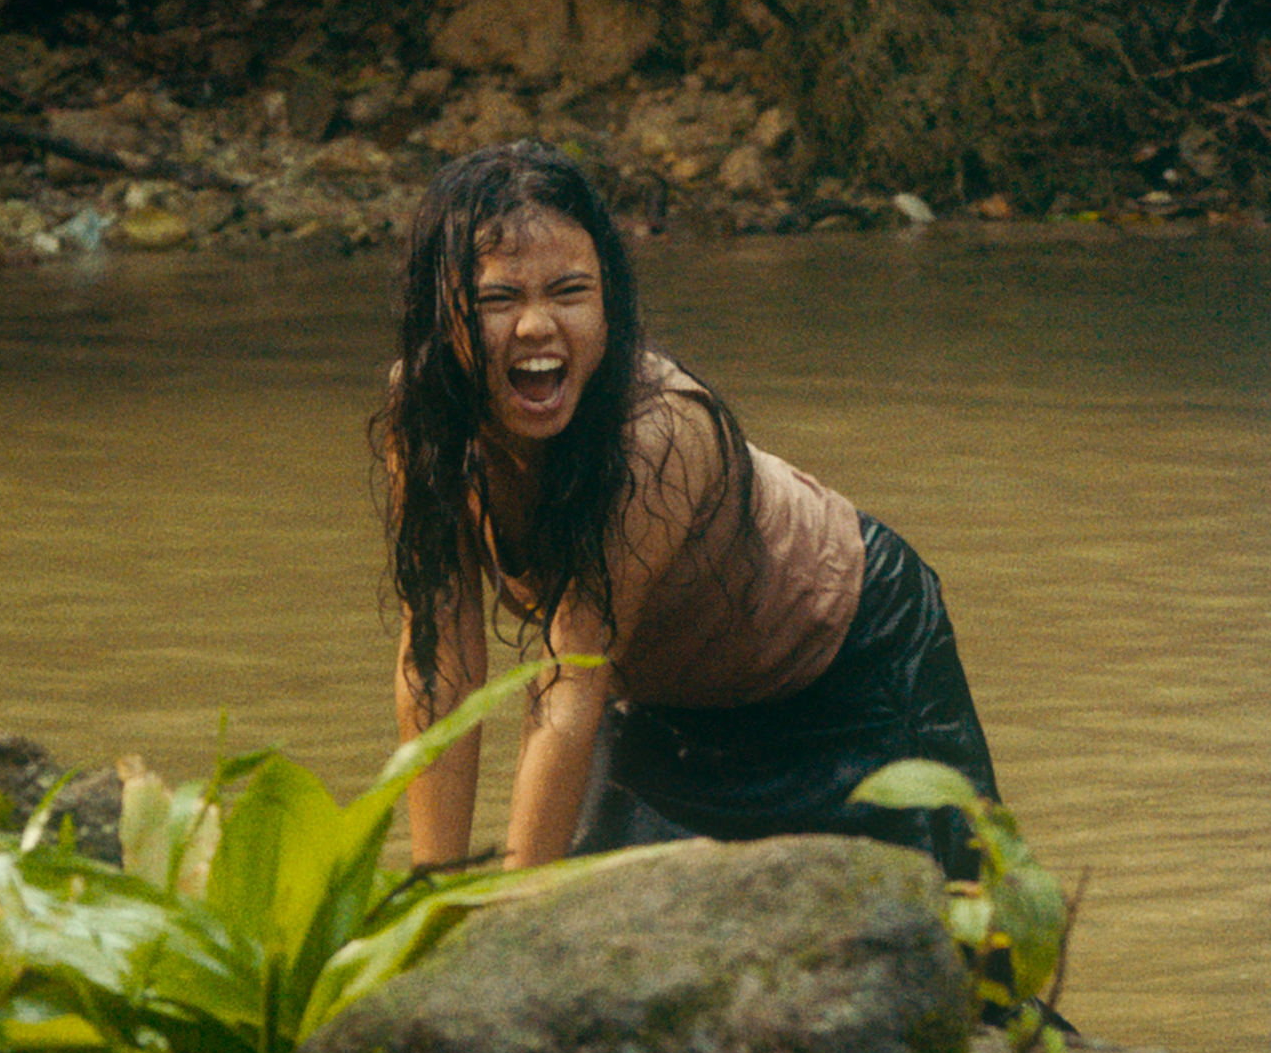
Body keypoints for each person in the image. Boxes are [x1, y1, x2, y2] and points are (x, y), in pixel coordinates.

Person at [377, 140, 998, 875]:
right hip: (662, 706)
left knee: (961, 957)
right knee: (606, 959)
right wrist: (430, 896)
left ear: (611, 306)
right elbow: (438, 663)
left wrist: (509, 912)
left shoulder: (654, 433)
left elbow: (567, 684)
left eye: (570, 293)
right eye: (497, 299)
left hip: (848, 672)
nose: (538, 327)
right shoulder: (423, 421)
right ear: (439, 311)